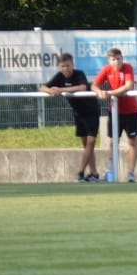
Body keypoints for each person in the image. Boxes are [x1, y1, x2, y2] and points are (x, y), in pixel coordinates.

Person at [43, 53, 100, 181]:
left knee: (91, 142)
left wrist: (61, 90)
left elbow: (83, 87)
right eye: (62, 66)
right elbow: (42, 87)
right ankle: (94, 173)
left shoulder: (79, 74)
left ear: (73, 65)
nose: (65, 69)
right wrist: (51, 91)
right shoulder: (59, 76)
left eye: (68, 66)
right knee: (86, 145)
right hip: (78, 114)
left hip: (91, 111)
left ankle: (80, 172)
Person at [92, 48, 137, 182]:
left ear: (122, 59)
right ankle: (110, 173)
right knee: (113, 143)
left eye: (118, 58)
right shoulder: (106, 70)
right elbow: (94, 86)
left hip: (130, 111)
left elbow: (128, 86)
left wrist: (109, 93)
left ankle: (131, 173)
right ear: (109, 60)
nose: (116, 62)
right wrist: (99, 92)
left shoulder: (128, 68)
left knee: (132, 142)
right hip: (114, 112)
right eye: (113, 59)